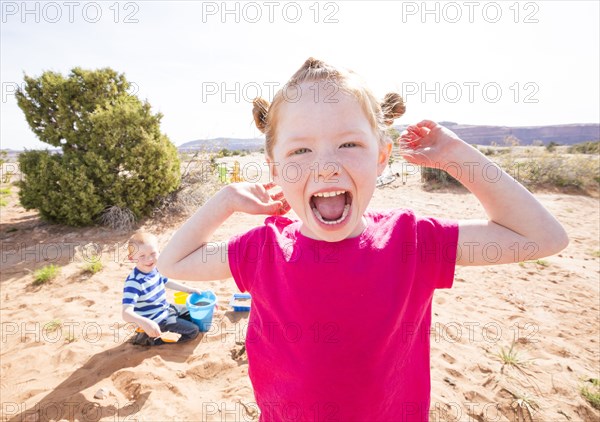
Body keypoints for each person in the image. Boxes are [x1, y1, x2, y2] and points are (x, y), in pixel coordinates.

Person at [157, 58, 568, 420]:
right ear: (275, 169)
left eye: (349, 143)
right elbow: (172, 263)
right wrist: (226, 199)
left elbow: (542, 237)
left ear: (381, 156)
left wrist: (457, 156)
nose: (326, 167)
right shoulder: (262, 250)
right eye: (300, 151)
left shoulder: (413, 242)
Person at [122, 232, 200, 346]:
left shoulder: (155, 269)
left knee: (193, 311)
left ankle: (159, 329)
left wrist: (189, 289)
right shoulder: (134, 282)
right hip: (157, 320)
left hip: (167, 308)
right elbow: (126, 313)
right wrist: (145, 323)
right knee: (193, 331)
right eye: (142, 256)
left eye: (153, 253)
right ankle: (151, 339)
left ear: (159, 252)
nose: (149, 259)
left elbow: (167, 282)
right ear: (131, 258)